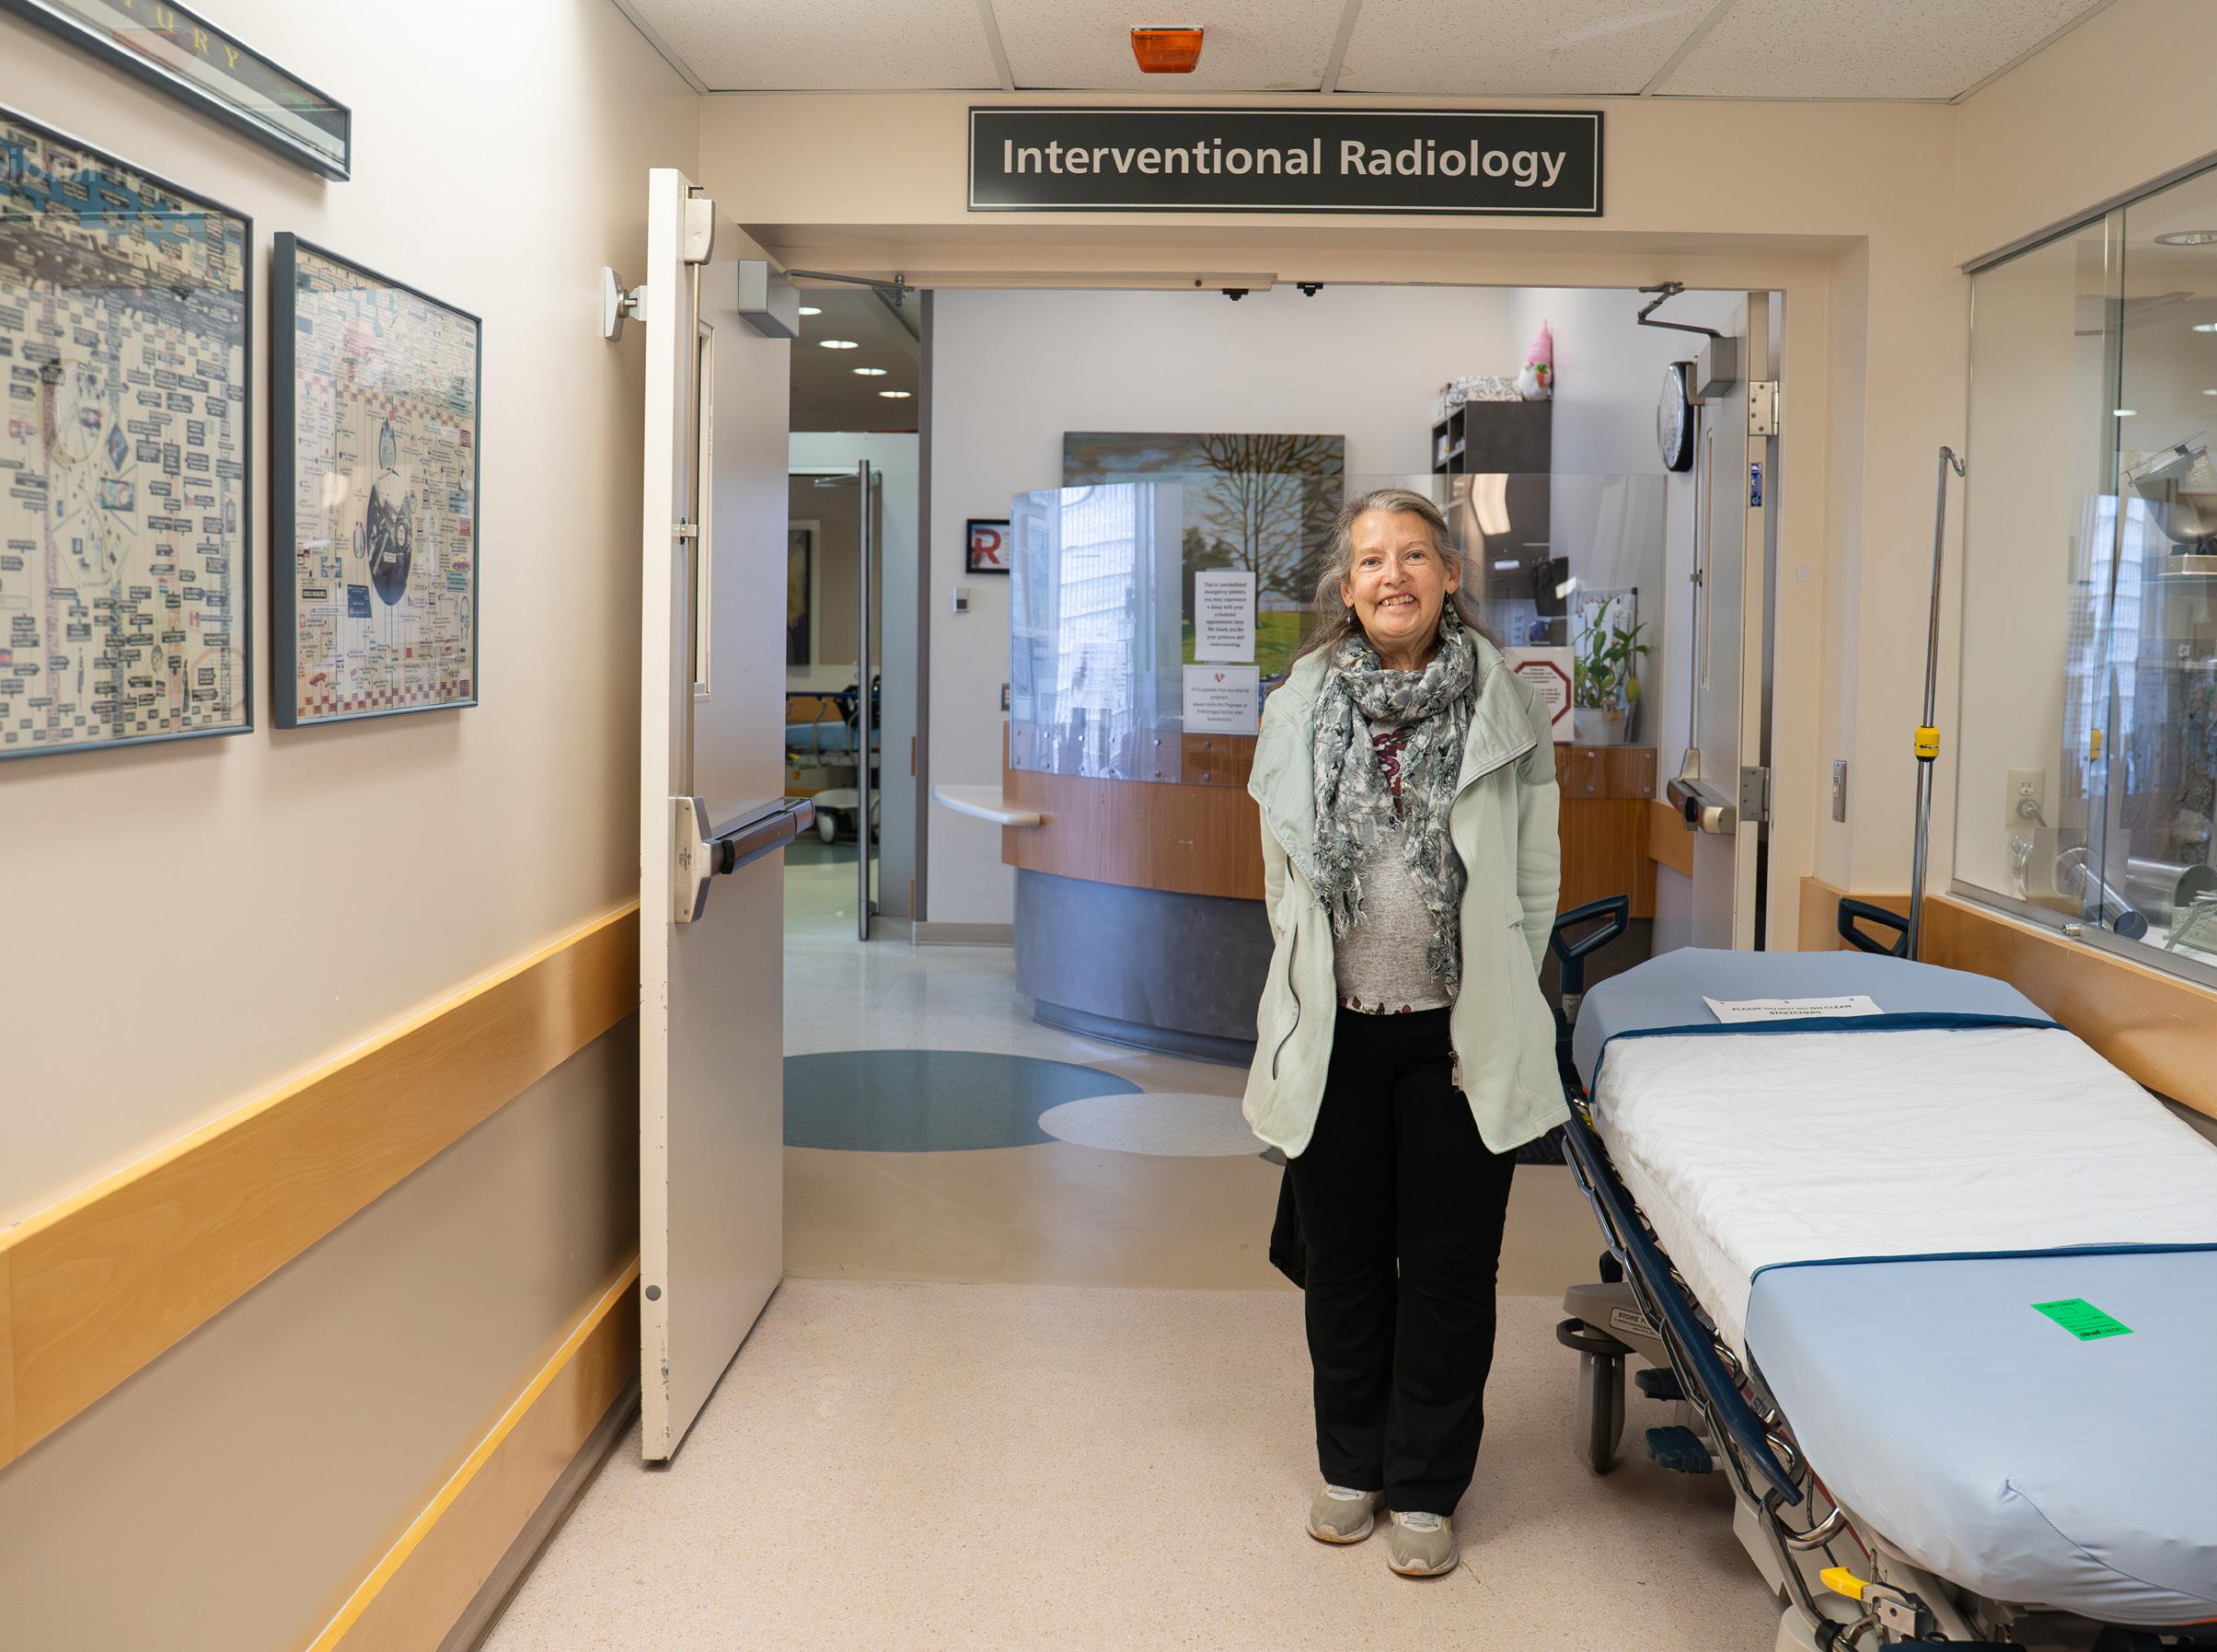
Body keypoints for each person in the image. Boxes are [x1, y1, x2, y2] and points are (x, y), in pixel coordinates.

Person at [1243, 487, 1564, 1578]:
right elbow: (1280, 871)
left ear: (1449, 576)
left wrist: (1504, 975)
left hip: (1457, 1038)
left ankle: (1425, 1486)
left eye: (1415, 555)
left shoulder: (1506, 704)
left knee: (1447, 1270)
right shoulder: (1299, 705)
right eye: (1373, 559)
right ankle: (1351, 1467)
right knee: (1341, 1265)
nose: (1394, 575)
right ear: (1347, 588)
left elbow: (1534, 873)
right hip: (1336, 1032)